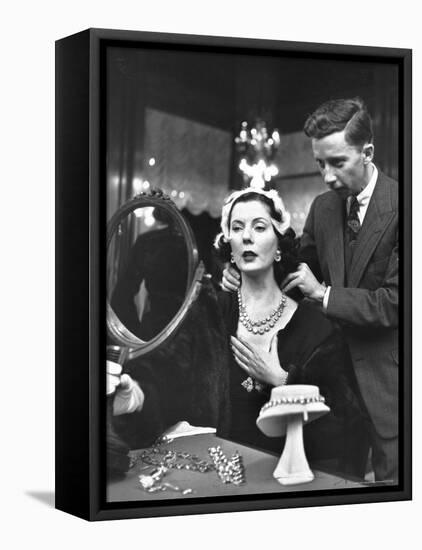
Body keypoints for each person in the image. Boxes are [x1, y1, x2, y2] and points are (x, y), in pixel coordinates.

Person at [109, 187, 367, 478]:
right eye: (237, 227)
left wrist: (284, 381)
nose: (247, 236)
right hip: (214, 479)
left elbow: (349, 427)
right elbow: (167, 382)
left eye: (259, 227)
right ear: (229, 245)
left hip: (286, 484)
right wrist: (137, 398)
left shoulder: (315, 325)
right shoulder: (207, 314)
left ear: (279, 245)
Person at [223, 98, 398, 483]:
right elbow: (291, 270)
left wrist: (324, 295)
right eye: (320, 163)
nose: (327, 175)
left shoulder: (405, 207)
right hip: (331, 386)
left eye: (337, 162)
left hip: (388, 388)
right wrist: (239, 269)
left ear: (367, 153)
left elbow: (398, 302)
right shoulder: (322, 208)